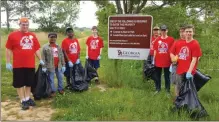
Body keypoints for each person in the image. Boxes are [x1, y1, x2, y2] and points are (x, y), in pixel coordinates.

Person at [5, 17, 44, 110]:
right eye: (23, 24)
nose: (25, 26)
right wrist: (8, 62)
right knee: (19, 83)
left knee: (29, 83)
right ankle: (22, 100)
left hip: (30, 64)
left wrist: (41, 59)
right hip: (18, 64)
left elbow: (36, 49)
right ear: (19, 24)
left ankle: (27, 98)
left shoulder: (32, 35)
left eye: (27, 25)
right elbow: (8, 49)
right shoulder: (12, 35)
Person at [153, 25, 175, 96]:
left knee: (167, 77)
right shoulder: (157, 40)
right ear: (160, 31)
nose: (163, 32)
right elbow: (155, 50)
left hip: (167, 62)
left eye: (164, 30)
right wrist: (154, 59)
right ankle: (157, 89)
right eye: (162, 30)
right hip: (158, 61)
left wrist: (172, 60)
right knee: (157, 76)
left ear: (167, 30)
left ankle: (167, 91)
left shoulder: (171, 39)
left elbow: (173, 50)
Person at [169, 25, 186, 97]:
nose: (182, 34)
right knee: (177, 83)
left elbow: (197, 56)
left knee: (186, 83)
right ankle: (177, 99)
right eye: (180, 32)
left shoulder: (191, 42)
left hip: (187, 66)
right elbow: (171, 52)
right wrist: (173, 59)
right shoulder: (176, 42)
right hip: (177, 65)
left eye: (183, 32)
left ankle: (186, 98)